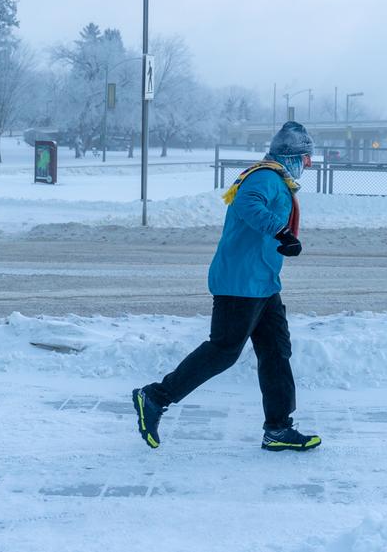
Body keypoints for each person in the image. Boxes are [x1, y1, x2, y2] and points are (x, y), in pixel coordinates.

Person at [132, 121, 321, 452]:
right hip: (240, 284)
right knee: (223, 351)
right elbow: (249, 205)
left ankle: (277, 428)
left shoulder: (274, 178)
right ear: (291, 155)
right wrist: (282, 232)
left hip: (262, 284)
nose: (308, 164)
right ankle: (155, 396)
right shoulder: (264, 177)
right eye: (306, 158)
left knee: (276, 351)